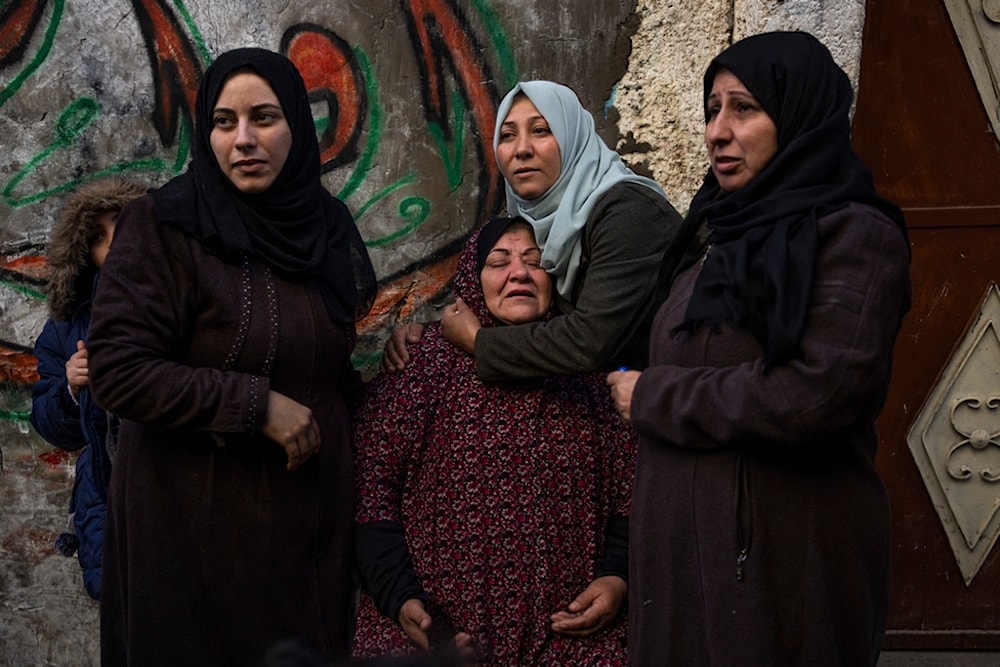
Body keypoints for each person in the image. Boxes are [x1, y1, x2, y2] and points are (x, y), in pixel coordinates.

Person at [607, 31, 912, 665]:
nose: (718, 131)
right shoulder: (717, 242)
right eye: (711, 109)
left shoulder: (854, 236)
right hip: (680, 569)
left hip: (780, 562)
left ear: (797, 115)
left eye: (743, 108)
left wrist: (657, 396)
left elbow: (815, 391)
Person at [86, 48, 377, 666]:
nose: (243, 140)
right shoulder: (163, 226)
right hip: (190, 532)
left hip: (304, 533)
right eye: (224, 122)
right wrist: (254, 405)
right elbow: (117, 369)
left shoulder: (325, 227)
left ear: (298, 126)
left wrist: (415, 356)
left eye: (264, 118)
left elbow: (327, 363)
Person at [353, 217, 634, 666]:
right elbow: (371, 496)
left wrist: (618, 578)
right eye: (498, 262)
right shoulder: (421, 370)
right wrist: (404, 602)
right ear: (471, 280)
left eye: (535, 262)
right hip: (438, 642)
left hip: (573, 643)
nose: (518, 273)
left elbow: (630, 497)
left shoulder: (589, 379)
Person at [382, 80, 682, 379]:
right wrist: (431, 336)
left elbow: (587, 341)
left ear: (571, 138)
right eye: (507, 135)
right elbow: (531, 316)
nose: (521, 149)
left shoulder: (628, 212)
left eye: (540, 130)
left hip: (689, 402)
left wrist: (475, 341)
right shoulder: (542, 221)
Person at [30, 176, 145, 600]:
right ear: (83, 254)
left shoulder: (186, 302)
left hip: (176, 487)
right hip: (106, 496)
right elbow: (50, 424)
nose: (114, 243)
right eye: (98, 236)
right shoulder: (68, 328)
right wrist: (70, 388)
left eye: (125, 225)